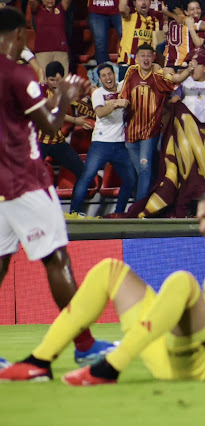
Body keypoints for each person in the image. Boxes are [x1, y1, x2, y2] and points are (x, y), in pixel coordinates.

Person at [0, 191, 205, 385]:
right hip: (175, 357)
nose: (202, 226)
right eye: (199, 219)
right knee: (108, 271)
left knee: (182, 281)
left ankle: (109, 368)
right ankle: (39, 362)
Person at [0, 6, 114, 368]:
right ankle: (84, 343)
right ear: (20, 34)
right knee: (56, 257)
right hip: (25, 183)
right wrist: (65, 93)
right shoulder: (19, 75)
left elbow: (24, 116)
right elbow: (49, 127)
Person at [119, 43, 192, 200]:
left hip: (149, 131)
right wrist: (121, 102)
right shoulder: (131, 72)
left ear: (153, 58)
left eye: (148, 55)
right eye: (142, 55)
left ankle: (140, 207)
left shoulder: (159, 76)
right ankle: (156, 195)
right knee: (141, 171)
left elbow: (177, 78)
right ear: (137, 58)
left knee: (145, 168)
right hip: (130, 132)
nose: (146, 58)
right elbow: (124, 94)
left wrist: (189, 70)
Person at [70, 63, 136, 215]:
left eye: (110, 74)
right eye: (104, 76)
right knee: (87, 177)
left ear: (115, 74)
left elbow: (136, 76)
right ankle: (74, 212)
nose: (108, 78)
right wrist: (115, 104)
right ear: (100, 79)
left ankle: (119, 212)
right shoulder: (98, 93)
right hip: (101, 144)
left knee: (131, 179)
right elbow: (100, 112)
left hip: (120, 145)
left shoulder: (122, 87)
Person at [38, 61, 91, 182]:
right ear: (46, 79)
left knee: (83, 173)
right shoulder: (40, 90)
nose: (55, 84)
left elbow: (79, 102)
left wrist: (89, 102)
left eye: (58, 80)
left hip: (58, 142)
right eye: (52, 80)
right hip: (39, 143)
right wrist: (76, 120)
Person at [163, 0, 205, 70]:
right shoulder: (188, 20)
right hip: (184, 63)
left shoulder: (168, 20)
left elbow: (162, 9)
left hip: (168, 63)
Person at [171, 54, 205, 123]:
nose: (192, 68)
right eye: (190, 65)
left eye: (195, 65)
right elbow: (173, 100)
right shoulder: (185, 83)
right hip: (186, 127)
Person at [118, 0, 164, 68]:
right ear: (134, 3)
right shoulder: (130, 15)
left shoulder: (154, 19)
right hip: (127, 64)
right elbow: (122, 8)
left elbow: (158, 45)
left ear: (150, 3)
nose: (143, 2)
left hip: (146, 66)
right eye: (140, 0)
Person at [29, 0, 71, 76]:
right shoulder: (38, 9)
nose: (50, 0)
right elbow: (32, 2)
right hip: (43, 52)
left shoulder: (61, 8)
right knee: (43, 81)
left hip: (61, 51)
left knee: (63, 82)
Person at [88, 0, 123, 66]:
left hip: (119, 8)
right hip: (97, 10)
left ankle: (128, 65)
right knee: (100, 42)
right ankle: (103, 69)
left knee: (127, 38)